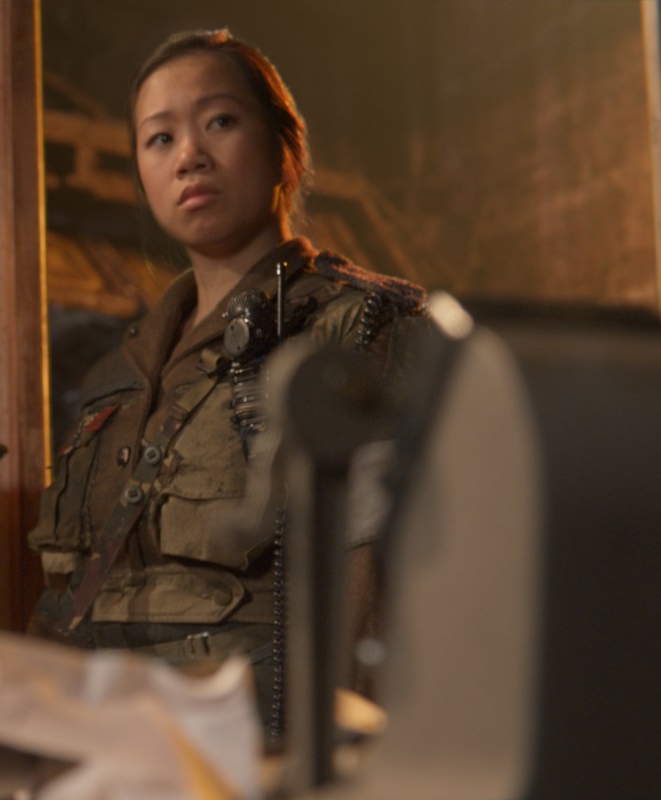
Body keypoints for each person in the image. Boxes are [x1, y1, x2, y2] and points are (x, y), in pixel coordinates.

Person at [23, 29, 424, 739]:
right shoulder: (118, 373)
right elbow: (70, 591)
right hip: (104, 731)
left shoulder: (355, 326)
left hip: (257, 734)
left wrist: (342, 756)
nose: (189, 156)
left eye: (220, 121)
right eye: (160, 138)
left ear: (284, 150)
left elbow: (373, 584)